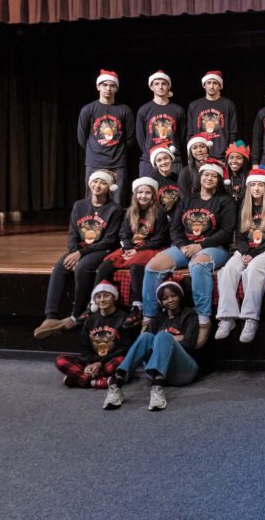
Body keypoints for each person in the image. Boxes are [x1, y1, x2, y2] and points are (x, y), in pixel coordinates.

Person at [141, 161, 236, 348]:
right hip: (185, 246)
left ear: (218, 180)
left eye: (213, 176)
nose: (209, 178)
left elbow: (226, 231)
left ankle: (203, 319)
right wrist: (184, 245)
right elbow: (175, 227)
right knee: (152, 267)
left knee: (198, 265)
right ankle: (149, 318)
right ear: (200, 177)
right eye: (205, 175)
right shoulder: (186, 199)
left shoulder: (226, 201)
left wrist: (200, 246)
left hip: (215, 247)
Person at [35, 171, 123, 339]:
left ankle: (77, 316)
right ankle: (50, 316)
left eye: (102, 183)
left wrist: (80, 254)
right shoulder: (79, 205)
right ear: (89, 184)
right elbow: (72, 235)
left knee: (82, 267)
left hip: (102, 250)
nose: (97, 186)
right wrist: (74, 252)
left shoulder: (115, 209)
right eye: (95, 182)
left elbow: (110, 240)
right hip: (81, 249)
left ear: (109, 187)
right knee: (61, 265)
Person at [103, 281, 199, 411]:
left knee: (161, 336)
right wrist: (172, 339)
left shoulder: (189, 315)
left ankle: (158, 388)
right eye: (165, 298)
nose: (170, 300)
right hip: (158, 373)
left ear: (180, 296)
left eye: (173, 296)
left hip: (184, 371)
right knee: (145, 336)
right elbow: (147, 342)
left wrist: (165, 340)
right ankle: (117, 384)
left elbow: (189, 343)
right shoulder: (158, 318)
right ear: (161, 302)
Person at [215, 169, 265, 343]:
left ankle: (250, 319)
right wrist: (245, 252)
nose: (256, 188)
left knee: (252, 270)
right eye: (252, 185)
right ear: (248, 188)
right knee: (228, 269)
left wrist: (252, 255)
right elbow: (238, 236)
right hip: (246, 250)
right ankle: (227, 317)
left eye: (260, 185)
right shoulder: (243, 208)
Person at [93, 177, 170, 321]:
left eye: (147, 193)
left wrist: (137, 251)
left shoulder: (159, 213)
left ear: (153, 195)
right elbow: (124, 234)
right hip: (132, 248)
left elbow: (159, 240)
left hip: (152, 248)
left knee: (136, 265)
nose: (143, 196)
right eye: (140, 192)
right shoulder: (129, 212)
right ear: (135, 194)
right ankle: (96, 299)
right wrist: (128, 248)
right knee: (106, 264)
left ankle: (137, 304)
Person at [55, 281, 132, 389]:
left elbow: (124, 348)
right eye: (98, 296)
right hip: (92, 360)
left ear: (114, 297)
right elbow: (84, 347)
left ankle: (78, 378)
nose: (102, 299)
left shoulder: (124, 318)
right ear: (94, 300)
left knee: (122, 360)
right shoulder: (89, 320)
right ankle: (95, 381)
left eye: (106, 295)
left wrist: (100, 364)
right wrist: (89, 364)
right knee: (60, 360)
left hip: (110, 360)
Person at [77, 70, 135, 200]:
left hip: (117, 163)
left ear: (116, 88)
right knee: (93, 199)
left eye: (112, 85)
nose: (108, 88)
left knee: (117, 199)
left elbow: (130, 138)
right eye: (104, 85)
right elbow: (82, 137)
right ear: (98, 86)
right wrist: (95, 152)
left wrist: (118, 152)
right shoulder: (88, 109)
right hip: (94, 162)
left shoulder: (124, 110)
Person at [135, 70, 185, 177]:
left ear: (169, 86)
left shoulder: (178, 110)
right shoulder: (144, 110)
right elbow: (141, 137)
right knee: (148, 192)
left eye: (164, 83)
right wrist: (150, 153)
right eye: (157, 84)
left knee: (174, 193)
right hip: (149, 161)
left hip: (174, 160)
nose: (160, 87)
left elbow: (181, 135)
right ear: (151, 87)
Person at [187, 70, 238, 160]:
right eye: (209, 83)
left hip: (221, 156)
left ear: (220, 86)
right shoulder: (194, 106)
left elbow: (233, 132)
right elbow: (190, 133)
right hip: (200, 156)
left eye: (215, 83)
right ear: (204, 85)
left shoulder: (228, 104)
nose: (211, 86)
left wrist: (229, 153)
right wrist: (190, 156)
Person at [148, 143, 182, 214]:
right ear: (155, 164)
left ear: (171, 159)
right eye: (159, 160)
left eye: (166, 158)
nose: (163, 162)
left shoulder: (179, 178)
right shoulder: (152, 181)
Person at [223, 141, 250, 206]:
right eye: (231, 157)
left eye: (239, 158)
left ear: (244, 161)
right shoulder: (221, 177)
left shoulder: (250, 177)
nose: (234, 161)